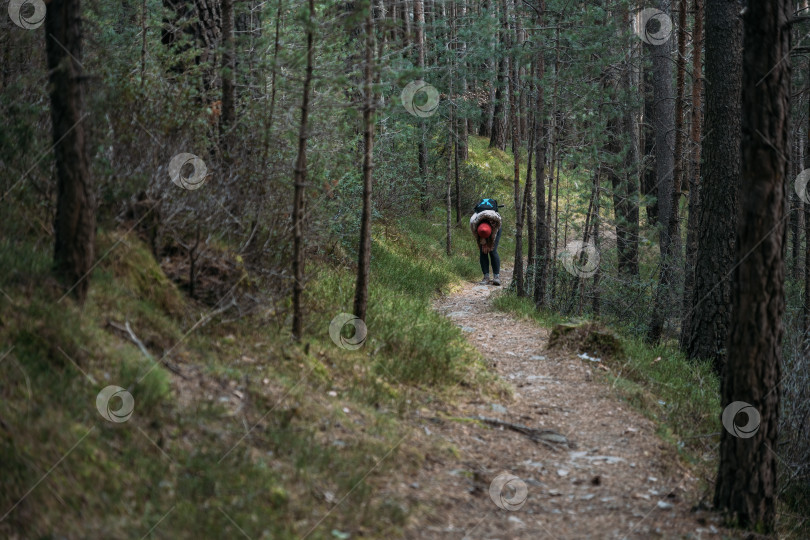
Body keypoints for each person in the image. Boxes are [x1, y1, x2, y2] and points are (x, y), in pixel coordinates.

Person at [470, 199, 502, 285]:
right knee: (483, 251)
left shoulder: (496, 220)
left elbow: (494, 234)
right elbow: (476, 236)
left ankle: (496, 277)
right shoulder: (474, 221)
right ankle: (486, 277)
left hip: (495, 228)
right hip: (481, 227)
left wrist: (490, 244)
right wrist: (483, 243)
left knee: (492, 250)